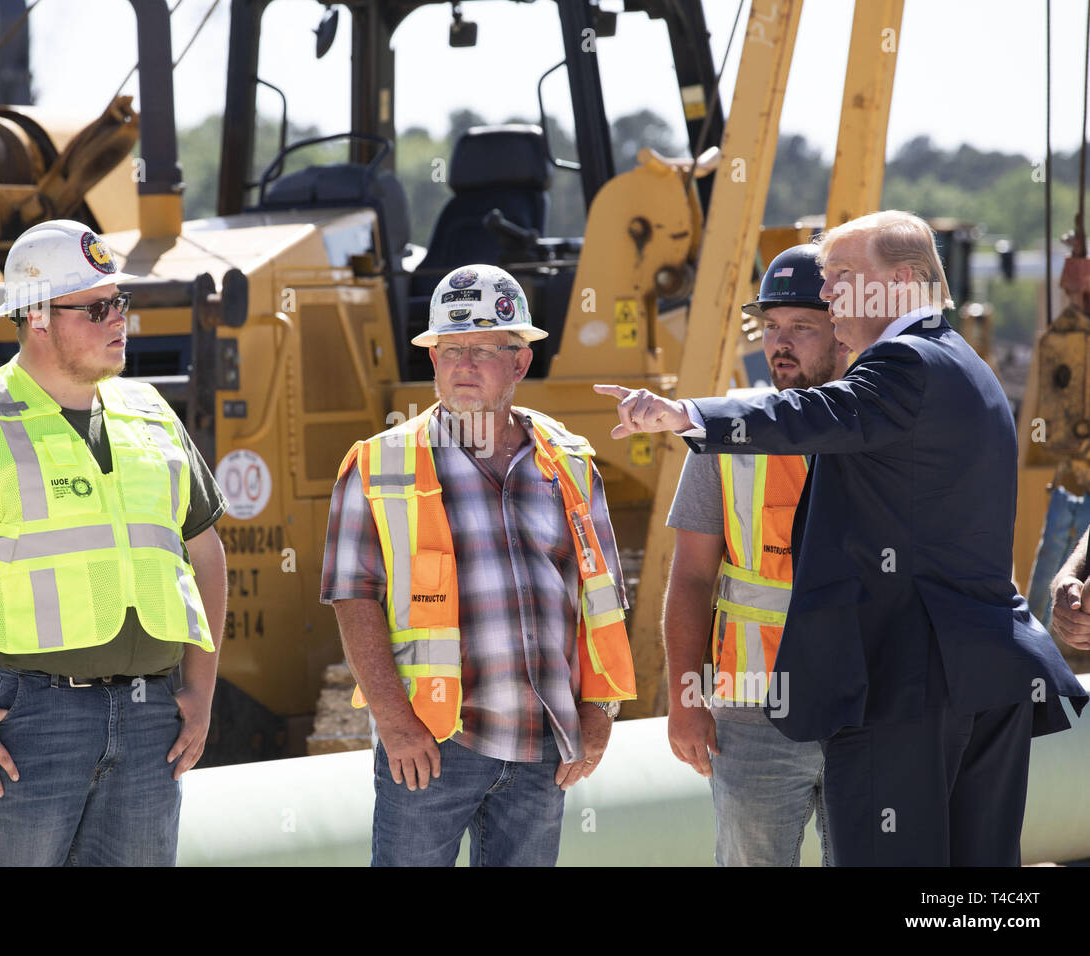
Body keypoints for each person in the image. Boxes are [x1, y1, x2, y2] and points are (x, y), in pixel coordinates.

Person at [597, 210, 1088, 867]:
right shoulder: (963, 364)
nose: (828, 296)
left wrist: (686, 413)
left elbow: (815, 410)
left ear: (906, 283)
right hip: (978, 678)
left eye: (842, 279)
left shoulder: (902, 363)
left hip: (906, 687)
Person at [0, 219, 228, 866]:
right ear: (37, 316)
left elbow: (207, 556)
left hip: (150, 716)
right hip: (21, 723)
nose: (118, 319)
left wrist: (201, 691)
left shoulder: (153, 413)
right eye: (97, 307)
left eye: (120, 303)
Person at [322, 264, 636, 867]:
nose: (463, 365)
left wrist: (597, 714)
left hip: (545, 742)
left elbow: (600, 598)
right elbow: (351, 595)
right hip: (432, 742)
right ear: (433, 358)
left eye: (483, 350)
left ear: (518, 363)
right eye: (450, 349)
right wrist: (394, 721)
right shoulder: (380, 464)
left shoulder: (569, 462)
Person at [665, 245, 842, 866]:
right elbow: (689, 577)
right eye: (770, 327)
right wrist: (685, 699)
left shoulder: (887, 427)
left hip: (867, 708)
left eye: (801, 326)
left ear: (844, 329)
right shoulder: (726, 433)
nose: (779, 343)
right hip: (751, 713)